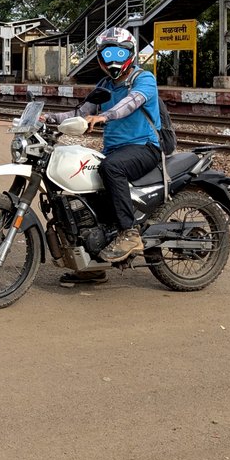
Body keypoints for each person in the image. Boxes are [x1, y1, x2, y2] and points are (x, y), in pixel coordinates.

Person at [43, 27, 162, 278]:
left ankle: (130, 234)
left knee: (111, 168)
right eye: (108, 54)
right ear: (100, 58)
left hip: (145, 148)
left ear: (130, 54)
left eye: (119, 53)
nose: (114, 60)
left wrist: (104, 116)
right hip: (115, 150)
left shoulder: (144, 79)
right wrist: (48, 118)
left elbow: (130, 104)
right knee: (85, 181)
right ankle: (93, 262)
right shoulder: (105, 84)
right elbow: (80, 112)